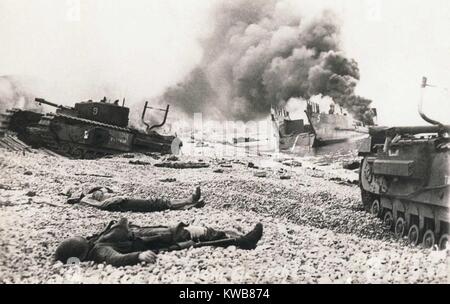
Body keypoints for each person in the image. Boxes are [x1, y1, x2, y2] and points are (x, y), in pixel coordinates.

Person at [55, 218, 263, 266]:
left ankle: (233, 237)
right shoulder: (100, 251)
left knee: (197, 232)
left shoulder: (96, 244)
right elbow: (116, 259)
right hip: (155, 240)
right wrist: (138, 256)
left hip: (151, 234)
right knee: (196, 237)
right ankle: (243, 242)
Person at [67, 186, 205, 212]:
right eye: (73, 192)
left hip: (122, 200)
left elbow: (105, 191)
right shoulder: (84, 200)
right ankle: (188, 200)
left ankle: (189, 206)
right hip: (122, 203)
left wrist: (102, 191)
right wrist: (119, 198)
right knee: (155, 203)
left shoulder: (88, 195)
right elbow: (102, 205)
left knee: (155, 204)